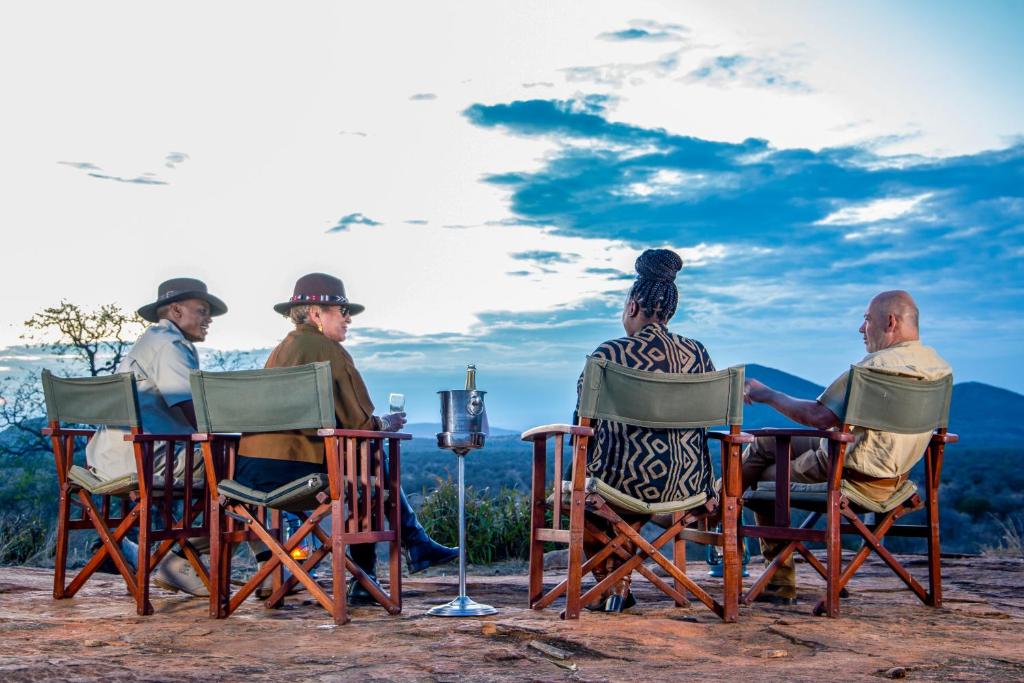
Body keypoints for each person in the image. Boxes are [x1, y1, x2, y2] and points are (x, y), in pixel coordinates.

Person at [235, 272, 457, 603]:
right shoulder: (329, 350)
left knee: (362, 463)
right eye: (342, 310)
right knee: (366, 458)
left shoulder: (279, 352)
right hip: (297, 473)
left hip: (248, 475)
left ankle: (407, 547)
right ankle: (373, 573)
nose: (348, 318)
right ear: (315, 313)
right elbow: (361, 422)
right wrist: (386, 423)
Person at [741, 290, 952, 603]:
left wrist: (766, 394)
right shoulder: (938, 369)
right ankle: (720, 498)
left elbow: (817, 416)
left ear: (890, 321)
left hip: (848, 475)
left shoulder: (874, 369)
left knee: (761, 481)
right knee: (765, 442)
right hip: (894, 479)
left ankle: (777, 580)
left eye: (866, 320)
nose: (861, 329)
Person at [577, 249, 717, 612]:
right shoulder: (698, 355)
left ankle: (612, 587)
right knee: (610, 497)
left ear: (634, 307)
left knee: (583, 498)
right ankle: (617, 587)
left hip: (621, 484)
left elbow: (583, 421)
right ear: (669, 311)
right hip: (687, 485)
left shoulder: (609, 354)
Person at [85, 277, 228, 597]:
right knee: (242, 469)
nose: (209, 320)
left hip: (110, 459)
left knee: (229, 463)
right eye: (202, 311)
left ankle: (147, 551)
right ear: (176, 310)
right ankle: (178, 560)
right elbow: (191, 408)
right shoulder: (171, 344)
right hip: (144, 459)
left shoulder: (150, 341)